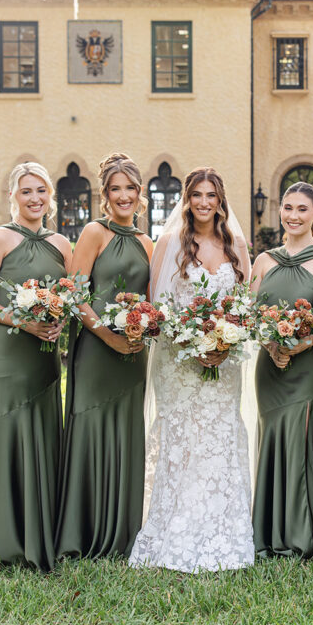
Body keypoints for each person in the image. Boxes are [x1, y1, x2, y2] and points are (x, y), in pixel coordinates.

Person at [128, 167, 255, 573]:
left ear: (220, 200)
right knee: (183, 441)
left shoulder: (236, 245)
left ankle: (223, 529)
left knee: (219, 436)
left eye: (211, 195)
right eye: (197, 195)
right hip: (179, 363)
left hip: (224, 363)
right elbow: (157, 307)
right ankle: (174, 527)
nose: (204, 202)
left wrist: (223, 343)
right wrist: (191, 343)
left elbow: (245, 307)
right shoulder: (169, 243)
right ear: (187, 199)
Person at [0, 162, 73, 571]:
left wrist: (60, 320)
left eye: (41, 190)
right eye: (26, 191)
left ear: (50, 197)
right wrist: (22, 321)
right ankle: (3, 537)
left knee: (41, 431)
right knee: (8, 430)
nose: (35, 198)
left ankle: (41, 530)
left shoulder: (62, 244)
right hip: (6, 356)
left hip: (43, 357)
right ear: (13, 196)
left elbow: (70, 295)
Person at [56, 153, 153, 559]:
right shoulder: (94, 233)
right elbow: (75, 295)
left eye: (130, 188)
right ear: (105, 194)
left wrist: (144, 328)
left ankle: (124, 534)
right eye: (116, 188)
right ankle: (83, 533)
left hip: (134, 354)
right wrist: (108, 337)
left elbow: (152, 301)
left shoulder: (148, 243)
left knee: (128, 434)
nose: (123, 195)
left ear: (140, 193)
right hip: (97, 351)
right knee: (92, 429)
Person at [251, 181, 313, 558]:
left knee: (302, 442)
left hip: (310, 367)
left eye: (302, 209)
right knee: (275, 437)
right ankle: (270, 529)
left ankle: (303, 534)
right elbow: (249, 316)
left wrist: (302, 343)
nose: (293, 216)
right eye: (288, 208)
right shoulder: (263, 260)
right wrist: (271, 345)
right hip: (270, 369)